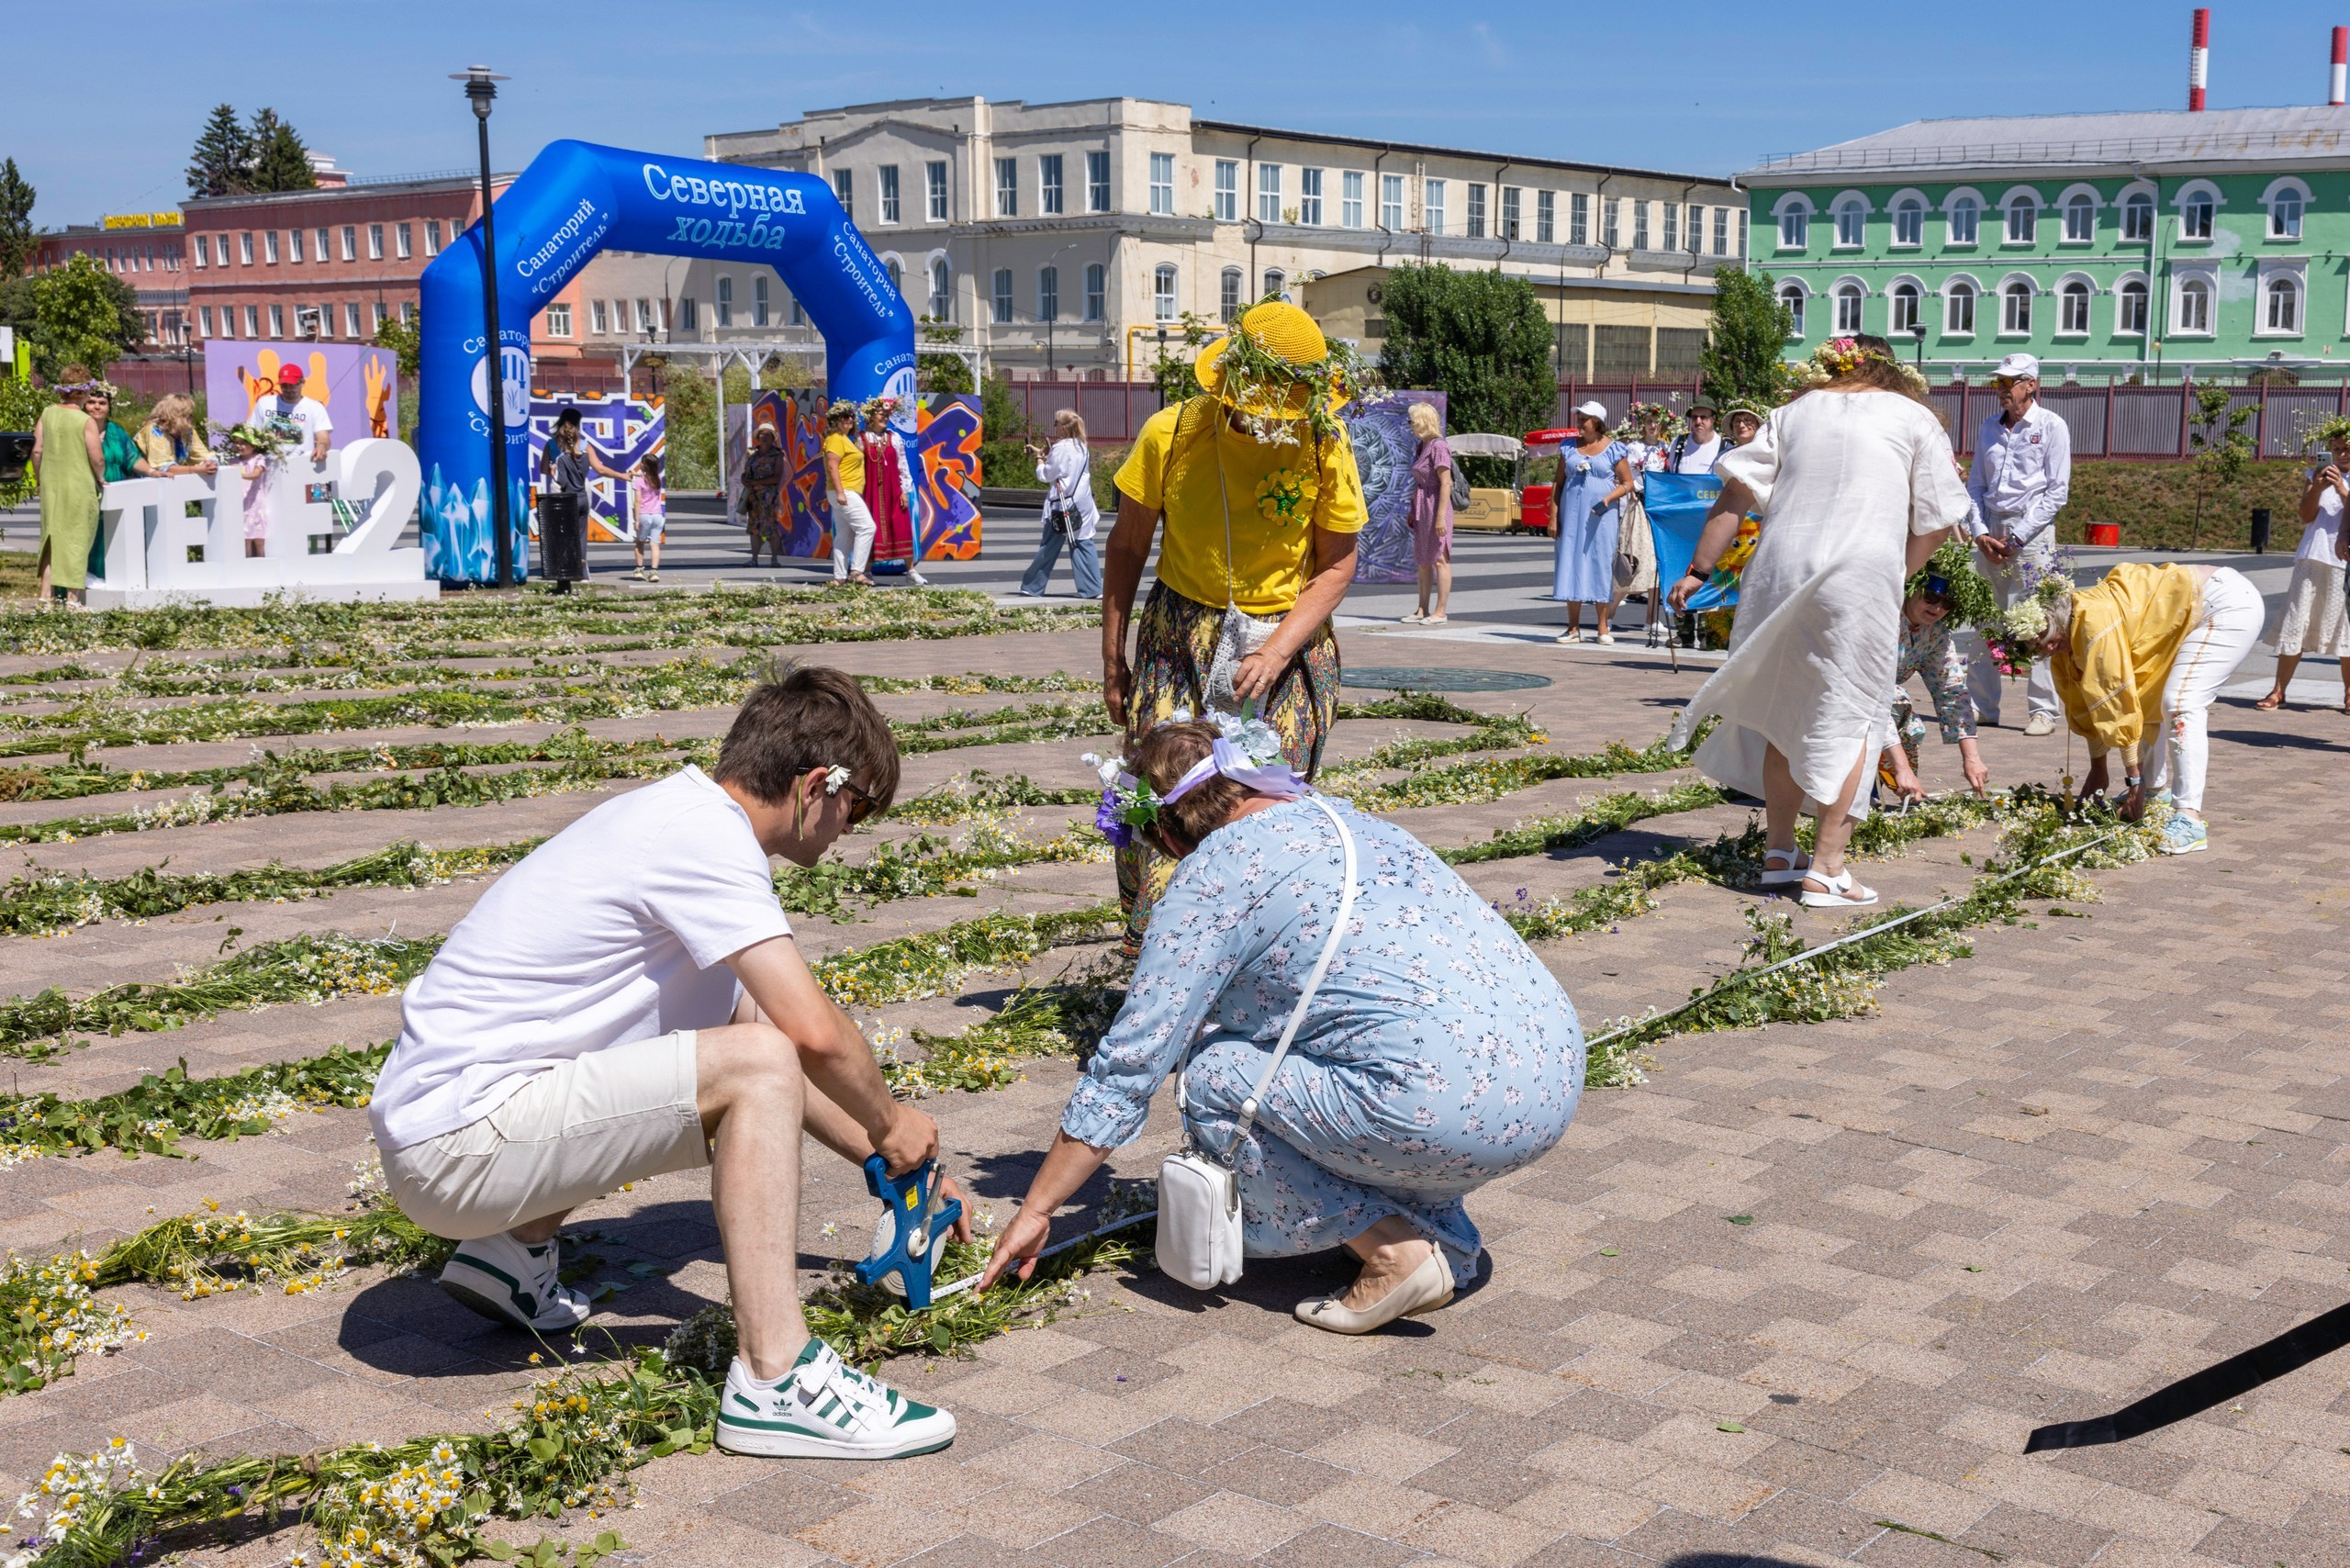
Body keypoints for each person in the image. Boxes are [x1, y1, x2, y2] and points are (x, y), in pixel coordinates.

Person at [370, 666, 964, 1460]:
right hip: (457, 1146)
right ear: (817, 785)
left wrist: (888, 1161)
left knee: (743, 1042)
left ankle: (511, 1255)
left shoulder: (679, 817)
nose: (850, 832)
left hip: (451, 1124)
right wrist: (894, 1120)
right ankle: (775, 1378)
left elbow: (763, 1024)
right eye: (857, 809)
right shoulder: (705, 843)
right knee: (752, 1067)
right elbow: (809, 1037)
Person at [977, 717, 1582, 1332]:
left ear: (1166, 831)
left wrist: (1038, 1206)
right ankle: (1442, 1235)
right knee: (1353, 1043)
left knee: (1214, 1073)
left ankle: (1391, 1250)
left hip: (1447, 1108)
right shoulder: (1350, 820)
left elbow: (1134, 1060)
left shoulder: (1215, 872)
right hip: (1549, 1081)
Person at [1666, 335, 1974, 909]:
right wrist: (1891, 570)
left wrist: (1697, 572)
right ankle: (1828, 869)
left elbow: (1733, 497)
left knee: (1788, 706)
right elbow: (1939, 518)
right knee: (1856, 713)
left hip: (1777, 571)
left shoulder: (1790, 413)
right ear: (1893, 373)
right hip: (1857, 577)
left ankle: (1780, 852)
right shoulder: (1912, 417)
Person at [1101, 299, 1367, 946]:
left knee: (1262, 808)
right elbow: (1128, 545)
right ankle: (1165, 963)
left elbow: (1337, 564)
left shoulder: (1325, 439)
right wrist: (1113, 659)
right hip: (1177, 637)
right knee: (1162, 796)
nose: (1267, 420)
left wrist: (1276, 652)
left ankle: (1262, 963)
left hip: (1285, 646)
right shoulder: (1173, 432)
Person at [2041, 563, 2262, 856]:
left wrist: (2133, 781)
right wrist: (2099, 768)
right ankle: (2155, 792)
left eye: (2051, 644)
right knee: (2145, 696)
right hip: (2189, 609)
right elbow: (2089, 696)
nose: (2049, 652)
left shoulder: (2093, 623)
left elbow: (2114, 698)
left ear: (2057, 626)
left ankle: (2189, 818)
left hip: (2226, 604)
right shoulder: (2067, 628)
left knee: (2182, 701)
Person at [1964, 353, 2071, 735]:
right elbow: (1975, 485)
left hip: (2033, 534)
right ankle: (1981, 706)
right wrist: (1979, 533)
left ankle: (2043, 711)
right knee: (1984, 618)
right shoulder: (1989, 427)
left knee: (2038, 622)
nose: (2001, 390)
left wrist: (2020, 535)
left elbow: (2057, 492)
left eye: (2008, 383)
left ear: (2031, 384)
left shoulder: (2051, 426)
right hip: (1991, 529)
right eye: (1998, 383)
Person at [2255, 431, 2350, 712]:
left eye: (2346, 448)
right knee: (2297, 619)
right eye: (2336, 449)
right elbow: (2306, 516)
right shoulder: (2316, 476)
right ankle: (2278, 691)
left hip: (2344, 560)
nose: (2341, 454)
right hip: (2312, 555)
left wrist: (2344, 491)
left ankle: (2349, 693)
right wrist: (2319, 488)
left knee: (2346, 627)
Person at [1879, 572, 1989, 803]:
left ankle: (1869, 786)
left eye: (1947, 603)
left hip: (1880, 700)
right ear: (1911, 589)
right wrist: (1902, 768)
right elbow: (1874, 697)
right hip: (1837, 695)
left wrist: (1972, 758)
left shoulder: (1935, 632)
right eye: (1931, 597)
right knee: (1895, 701)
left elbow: (1951, 691)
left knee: (1907, 722)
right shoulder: (1883, 619)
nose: (1938, 608)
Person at [1550, 402, 1635, 644]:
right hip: (1571, 515)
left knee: (1599, 564)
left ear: (1597, 421)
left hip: (1601, 517)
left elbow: (1628, 483)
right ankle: (1572, 628)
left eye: (1584, 418)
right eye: (1579, 417)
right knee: (1570, 563)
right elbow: (1558, 482)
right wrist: (1553, 516)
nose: (1579, 422)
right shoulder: (1568, 447)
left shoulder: (1613, 449)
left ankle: (1602, 627)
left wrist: (1607, 498)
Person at [539, 408, 629, 593]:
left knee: (559, 534)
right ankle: (581, 571)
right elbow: (600, 469)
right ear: (577, 424)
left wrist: (554, 470)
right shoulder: (584, 445)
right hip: (581, 490)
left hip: (559, 489)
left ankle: (562, 574)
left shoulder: (551, 444)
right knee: (579, 533)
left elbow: (542, 469)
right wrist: (622, 476)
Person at [29, 384, 104, 606]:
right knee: (77, 539)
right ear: (85, 392)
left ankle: (45, 596)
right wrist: (100, 476)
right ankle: (72, 599)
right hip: (78, 485)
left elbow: (36, 450)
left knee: (51, 538)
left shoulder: (48, 413)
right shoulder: (85, 421)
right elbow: (97, 458)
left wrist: (40, 478)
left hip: (51, 484)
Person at [1020, 409, 1102, 598]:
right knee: (1083, 543)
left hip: (1062, 505)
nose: (1054, 427)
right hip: (1083, 503)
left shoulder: (1060, 447)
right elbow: (1067, 468)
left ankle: (1032, 586)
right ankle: (1092, 589)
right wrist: (1045, 453)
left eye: (1056, 423)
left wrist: (1039, 459)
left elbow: (1047, 475)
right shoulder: (1082, 445)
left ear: (1064, 428)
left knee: (1049, 545)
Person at [1401, 401, 1452, 625]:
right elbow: (1419, 481)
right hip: (1422, 505)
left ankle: (1440, 612)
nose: (1409, 424)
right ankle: (1422, 608)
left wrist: (1440, 516)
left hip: (1436, 505)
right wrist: (1413, 509)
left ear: (1422, 421)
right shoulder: (1421, 446)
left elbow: (1446, 482)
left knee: (1440, 558)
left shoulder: (1439, 446)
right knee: (1423, 559)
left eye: (1412, 420)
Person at [861, 400, 921, 581]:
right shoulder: (861, 439)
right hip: (870, 491)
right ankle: (867, 571)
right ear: (870, 417)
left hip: (893, 490)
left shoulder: (894, 438)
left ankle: (911, 571)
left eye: (887, 415)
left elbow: (903, 465)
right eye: (881, 414)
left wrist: (904, 491)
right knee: (870, 528)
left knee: (901, 527)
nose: (885, 418)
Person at [822, 406, 877, 586]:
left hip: (846, 491)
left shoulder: (846, 439)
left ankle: (839, 577)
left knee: (844, 536)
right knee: (867, 527)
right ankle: (857, 571)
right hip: (844, 490)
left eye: (851, 416)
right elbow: (832, 466)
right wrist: (840, 492)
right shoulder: (835, 439)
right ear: (835, 421)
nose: (849, 420)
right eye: (844, 417)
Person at [254, 363, 333, 467]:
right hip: (269, 466)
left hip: (301, 466)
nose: (288, 389)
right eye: (284, 385)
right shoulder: (264, 403)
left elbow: (323, 437)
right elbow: (253, 433)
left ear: (302, 383)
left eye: (292, 385)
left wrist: (321, 447)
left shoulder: (315, 407)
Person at [136, 394, 218, 479]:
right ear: (175, 415)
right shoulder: (154, 430)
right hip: (141, 482)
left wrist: (209, 463)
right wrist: (195, 469)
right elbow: (163, 468)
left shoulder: (188, 431)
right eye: (188, 414)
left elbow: (202, 454)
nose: (191, 417)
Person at [738, 425, 787, 567]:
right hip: (753, 496)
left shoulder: (777, 455)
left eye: (768, 435)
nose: (764, 437)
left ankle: (774, 558)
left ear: (772, 438)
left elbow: (777, 477)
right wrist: (744, 480)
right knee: (754, 527)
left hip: (769, 496)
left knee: (770, 526)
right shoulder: (752, 453)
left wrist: (755, 482)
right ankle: (754, 559)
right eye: (761, 434)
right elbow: (745, 471)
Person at [630, 454, 666, 583]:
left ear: (644, 466)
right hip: (658, 516)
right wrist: (636, 473)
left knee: (639, 543)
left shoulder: (639, 482)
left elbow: (638, 502)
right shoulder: (658, 479)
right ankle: (654, 572)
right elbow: (647, 477)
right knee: (655, 545)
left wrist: (636, 520)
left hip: (644, 515)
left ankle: (639, 570)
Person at [1670, 404, 1724, 473]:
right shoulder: (1678, 442)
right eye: (1694, 417)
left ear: (1713, 418)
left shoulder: (1725, 448)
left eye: (1703, 417)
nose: (1698, 421)